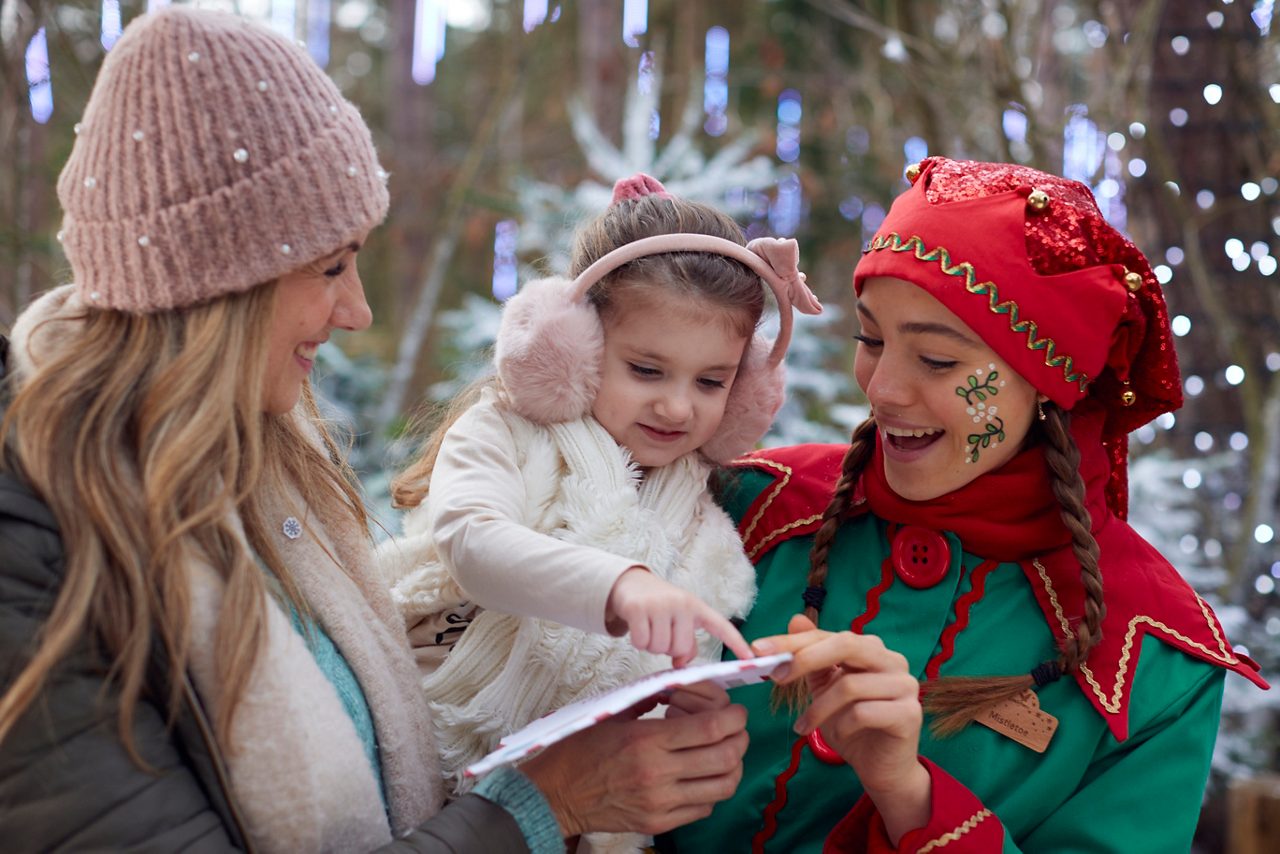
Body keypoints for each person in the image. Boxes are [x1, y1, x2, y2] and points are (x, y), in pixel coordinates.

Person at [0, 9, 750, 853]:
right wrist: (543, 806)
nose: (357, 310)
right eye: (329, 268)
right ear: (215, 289)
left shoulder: (262, 462)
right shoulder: (35, 545)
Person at [662, 157, 1269, 853]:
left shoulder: (1154, 660)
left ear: (1049, 379)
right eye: (871, 338)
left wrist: (910, 796)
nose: (882, 388)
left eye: (938, 361)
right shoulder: (749, 504)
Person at [379, 175, 822, 823]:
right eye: (646, 370)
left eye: (711, 381)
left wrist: (685, 706)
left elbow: (651, 683)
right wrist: (621, 586)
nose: (676, 405)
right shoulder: (507, 433)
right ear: (571, 345)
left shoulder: (705, 525)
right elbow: (472, 541)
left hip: (567, 820)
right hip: (414, 763)